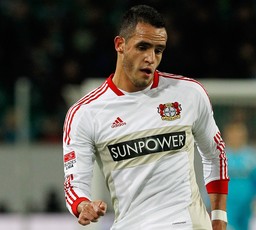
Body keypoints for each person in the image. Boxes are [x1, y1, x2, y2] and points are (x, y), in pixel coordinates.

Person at [62, 5, 229, 230]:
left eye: (158, 50)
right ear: (120, 45)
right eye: (143, 47)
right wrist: (83, 205)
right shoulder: (85, 113)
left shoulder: (189, 94)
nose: (151, 58)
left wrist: (219, 218)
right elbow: (74, 184)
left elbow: (215, 154)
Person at [223, 121, 256, 230]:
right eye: (232, 134)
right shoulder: (219, 157)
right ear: (227, 135)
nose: (235, 137)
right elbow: (210, 181)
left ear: (244, 135)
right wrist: (207, 203)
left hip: (248, 205)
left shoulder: (253, 157)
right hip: (226, 204)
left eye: (238, 134)